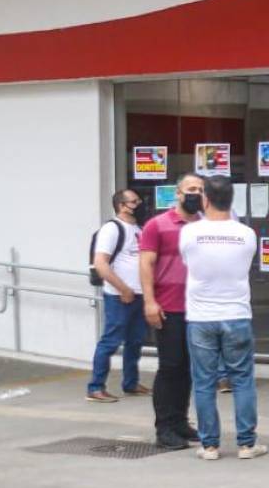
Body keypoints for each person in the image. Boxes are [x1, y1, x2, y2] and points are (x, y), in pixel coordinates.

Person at [179, 175, 265, 460]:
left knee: (204, 382)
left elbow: (188, 262)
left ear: (205, 199)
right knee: (242, 380)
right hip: (236, 313)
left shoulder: (190, 233)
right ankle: (247, 444)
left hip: (201, 316)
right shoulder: (246, 234)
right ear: (231, 199)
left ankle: (209, 446)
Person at [140, 173, 205, 449]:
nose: (195, 194)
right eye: (191, 189)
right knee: (170, 367)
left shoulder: (205, 226)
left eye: (200, 189)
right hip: (169, 307)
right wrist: (149, 301)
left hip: (198, 308)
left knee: (188, 368)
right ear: (178, 193)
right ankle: (164, 428)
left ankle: (180, 422)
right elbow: (146, 264)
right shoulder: (157, 225)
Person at [87, 189, 150, 402]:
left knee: (135, 341)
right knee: (110, 342)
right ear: (122, 206)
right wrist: (123, 289)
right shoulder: (112, 229)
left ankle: (131, 383)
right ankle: (96, 387)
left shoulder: (139, 228)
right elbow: (101, 263)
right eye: (134, 201)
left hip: (139, 294)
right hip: (119, 296)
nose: (140, 204)